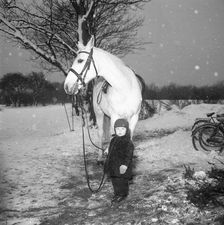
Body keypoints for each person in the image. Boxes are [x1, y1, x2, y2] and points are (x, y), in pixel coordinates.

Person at [104, 118, 134, 204]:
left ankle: (123, 194)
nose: (119, 131)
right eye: (117, 129)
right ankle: (117, 193)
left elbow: (128, 156)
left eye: (122, 129)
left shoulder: (128, 142)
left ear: (127, 130)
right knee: (115, 181)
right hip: (113, 166)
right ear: (114, 130)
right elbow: (111, 148)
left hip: (122, 167)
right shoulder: (113, 140)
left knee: (122, 181)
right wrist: (108, 151)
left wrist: (125, 165)